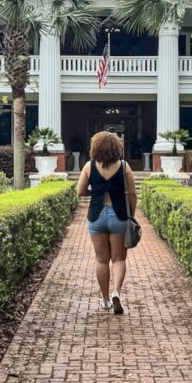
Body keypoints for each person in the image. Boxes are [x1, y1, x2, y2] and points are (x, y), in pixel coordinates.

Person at [76, 130, 138, 314]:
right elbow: (133, 195)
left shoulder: (89, 166)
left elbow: (80, 192)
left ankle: (104, 300)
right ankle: (116, 292)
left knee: (101, 260)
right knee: (119, 259)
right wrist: (131, 215)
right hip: (118, 215)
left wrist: (94, 193)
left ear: (94, 147)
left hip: (96, 215)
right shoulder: (125, 166)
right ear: (116, 148)